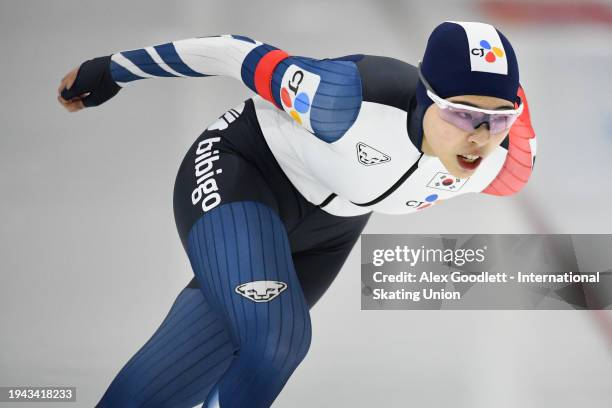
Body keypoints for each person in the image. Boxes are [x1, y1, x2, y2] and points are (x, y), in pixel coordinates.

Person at [57, 21, 536, 408]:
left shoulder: (503, 163)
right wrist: (113, 70)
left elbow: (511, 115)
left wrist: (501, 108)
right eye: (460, 113)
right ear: (425, 95)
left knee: (170, 382)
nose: (479, 135)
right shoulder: (342, 101)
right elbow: (234, 52)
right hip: (243, 173)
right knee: (276, 341)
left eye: (498, 118)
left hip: (328, 234)